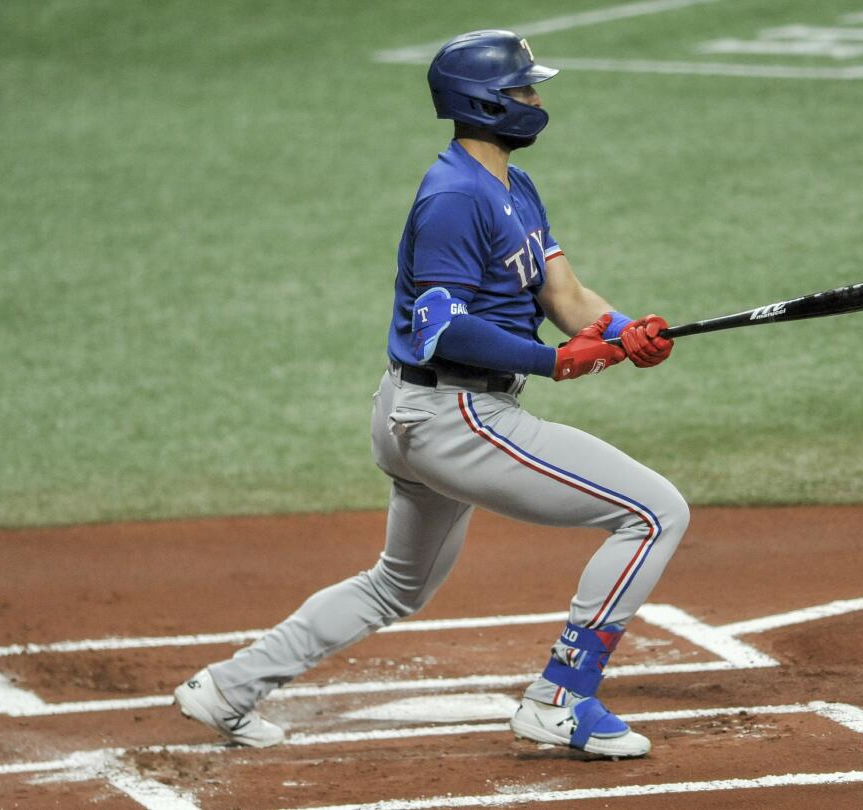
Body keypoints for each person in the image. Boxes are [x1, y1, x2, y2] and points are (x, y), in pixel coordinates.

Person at [174, 29, 688, 759]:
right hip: (455, 414)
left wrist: (622, 329)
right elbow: (442, 326)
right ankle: (561, 698)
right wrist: (551, 362)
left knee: (397, 586)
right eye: (523, 90)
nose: (537, 100)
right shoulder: (451, 197)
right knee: (653, 511)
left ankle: (228, 687)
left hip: (420, 413)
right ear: (484, 102)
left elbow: (563, 291)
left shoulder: (513, 184)